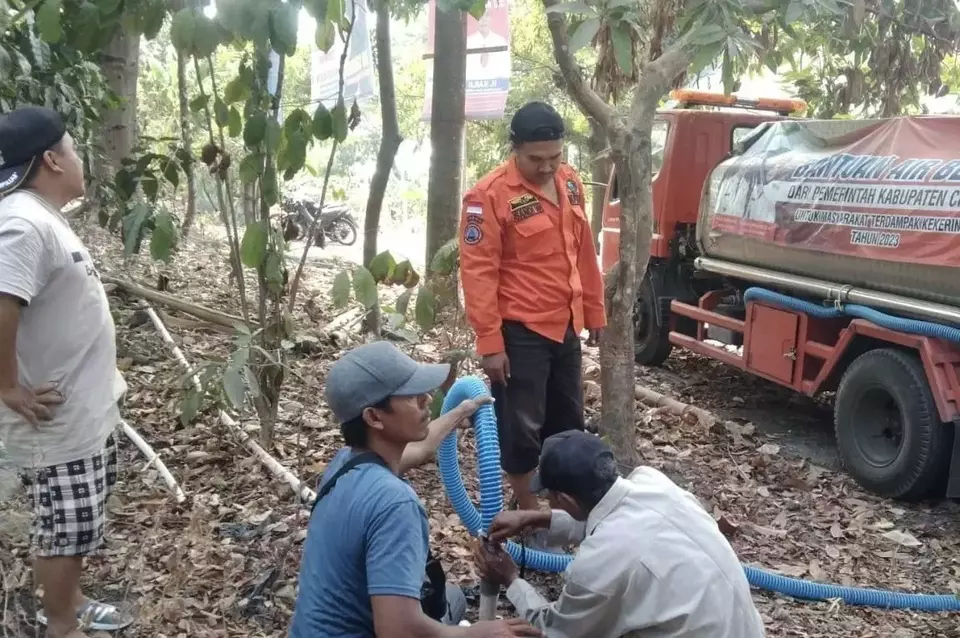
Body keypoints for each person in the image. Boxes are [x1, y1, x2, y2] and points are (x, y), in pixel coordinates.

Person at [289, 340, 542, 638]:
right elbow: (398, 632)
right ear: (373, 417)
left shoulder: (346, 462)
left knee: (453, 598)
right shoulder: (395, 504)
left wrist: (462, 409)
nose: (426, 399)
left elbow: (421, 449)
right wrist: (476, 634)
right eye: (411, 397)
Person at [0, 105, 133, 637]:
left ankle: (70, 602)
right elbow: (3, 300)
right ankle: (61, 625)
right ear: (52, 159)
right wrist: (7, 386)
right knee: (64, 529)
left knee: (75, 525)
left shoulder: (39, 218)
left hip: (80, 411)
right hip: (53, 422)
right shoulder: (21, 221)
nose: (81, 160)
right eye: (75, 150)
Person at [458, 101, 606, 511]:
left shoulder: (570, 182)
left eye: (555, 157)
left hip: (565, 327)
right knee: (521, 430)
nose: (547, 167)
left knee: (568, 421)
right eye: (536, 159)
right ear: (515, 150)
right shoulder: (487, 196)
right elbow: (478, 272)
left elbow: (583, 252)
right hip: (520, 332)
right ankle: (526, 508)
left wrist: (594, 311)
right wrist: (490, 343)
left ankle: (562, 508)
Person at [473, 431, 766, 638]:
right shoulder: (652, 483)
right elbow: (608, 519)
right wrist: (534, 518)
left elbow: (553, 631)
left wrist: (510, 579)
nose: (547, 502)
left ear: (567, 500)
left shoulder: (600, 563)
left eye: (549, 497)